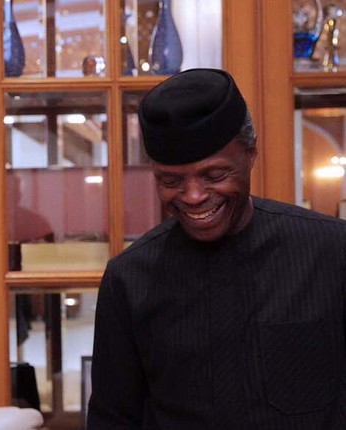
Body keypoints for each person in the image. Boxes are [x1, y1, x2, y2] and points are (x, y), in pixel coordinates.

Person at [87, 68, 346, 428]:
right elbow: (112, 420)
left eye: (214, 175)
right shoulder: (129, 279)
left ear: (250, 154)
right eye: (171, 180)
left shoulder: (333, 253)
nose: (193, 197)